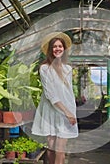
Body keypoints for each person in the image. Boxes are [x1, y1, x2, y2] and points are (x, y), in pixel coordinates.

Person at [31, 32, 78, 164]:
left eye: (60, 46)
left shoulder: (68, 68)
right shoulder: (45, 68)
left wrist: (70, 111)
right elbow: (50, 94)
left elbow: (68, 93)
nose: (57, 49)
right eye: (54, 46)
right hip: (51, 110)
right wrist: (67, 111)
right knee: (51, 148)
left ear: (64, 48)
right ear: (50, 50)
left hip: (66, 111)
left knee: (60, 149)